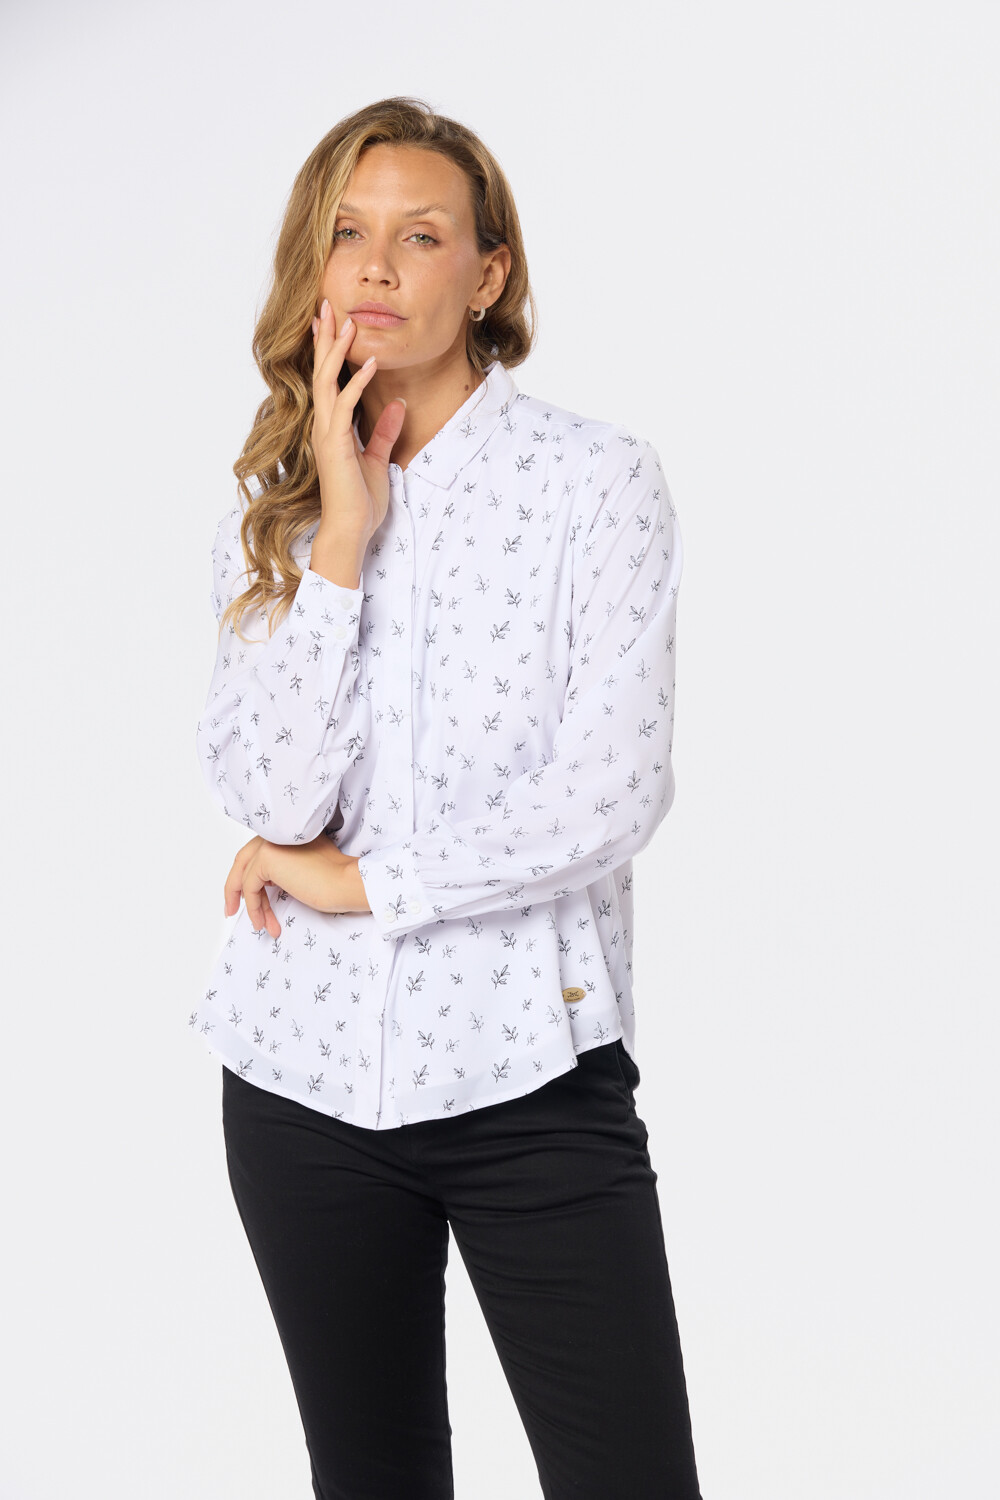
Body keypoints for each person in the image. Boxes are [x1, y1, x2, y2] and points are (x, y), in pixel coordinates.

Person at [191, 95, 704, 1500]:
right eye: (348, 234)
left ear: (487, 275)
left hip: (528, 1075)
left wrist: (369, 883)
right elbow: (270, 794)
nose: (375, 265)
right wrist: (341, 548)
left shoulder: (593, 485)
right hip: (300, 1082)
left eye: (420, 236)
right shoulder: (281, 509)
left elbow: (613, 790)